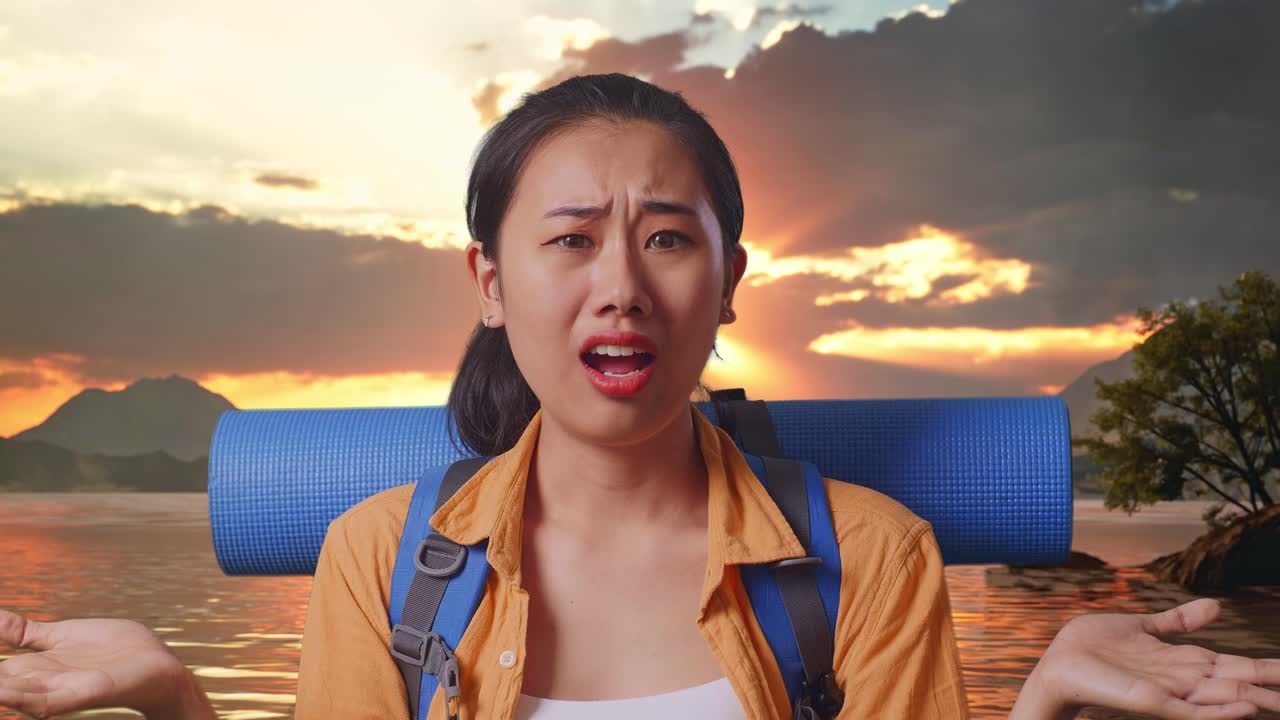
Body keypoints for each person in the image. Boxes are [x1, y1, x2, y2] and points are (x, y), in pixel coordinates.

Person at [2, 72, 1278, 720]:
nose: (620, 284)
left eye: (668, 238)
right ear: (489, 282)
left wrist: (1042, 697)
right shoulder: (381, 562)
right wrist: (175, 698)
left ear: (729, 282)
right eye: (569, 241)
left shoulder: (874, 561)